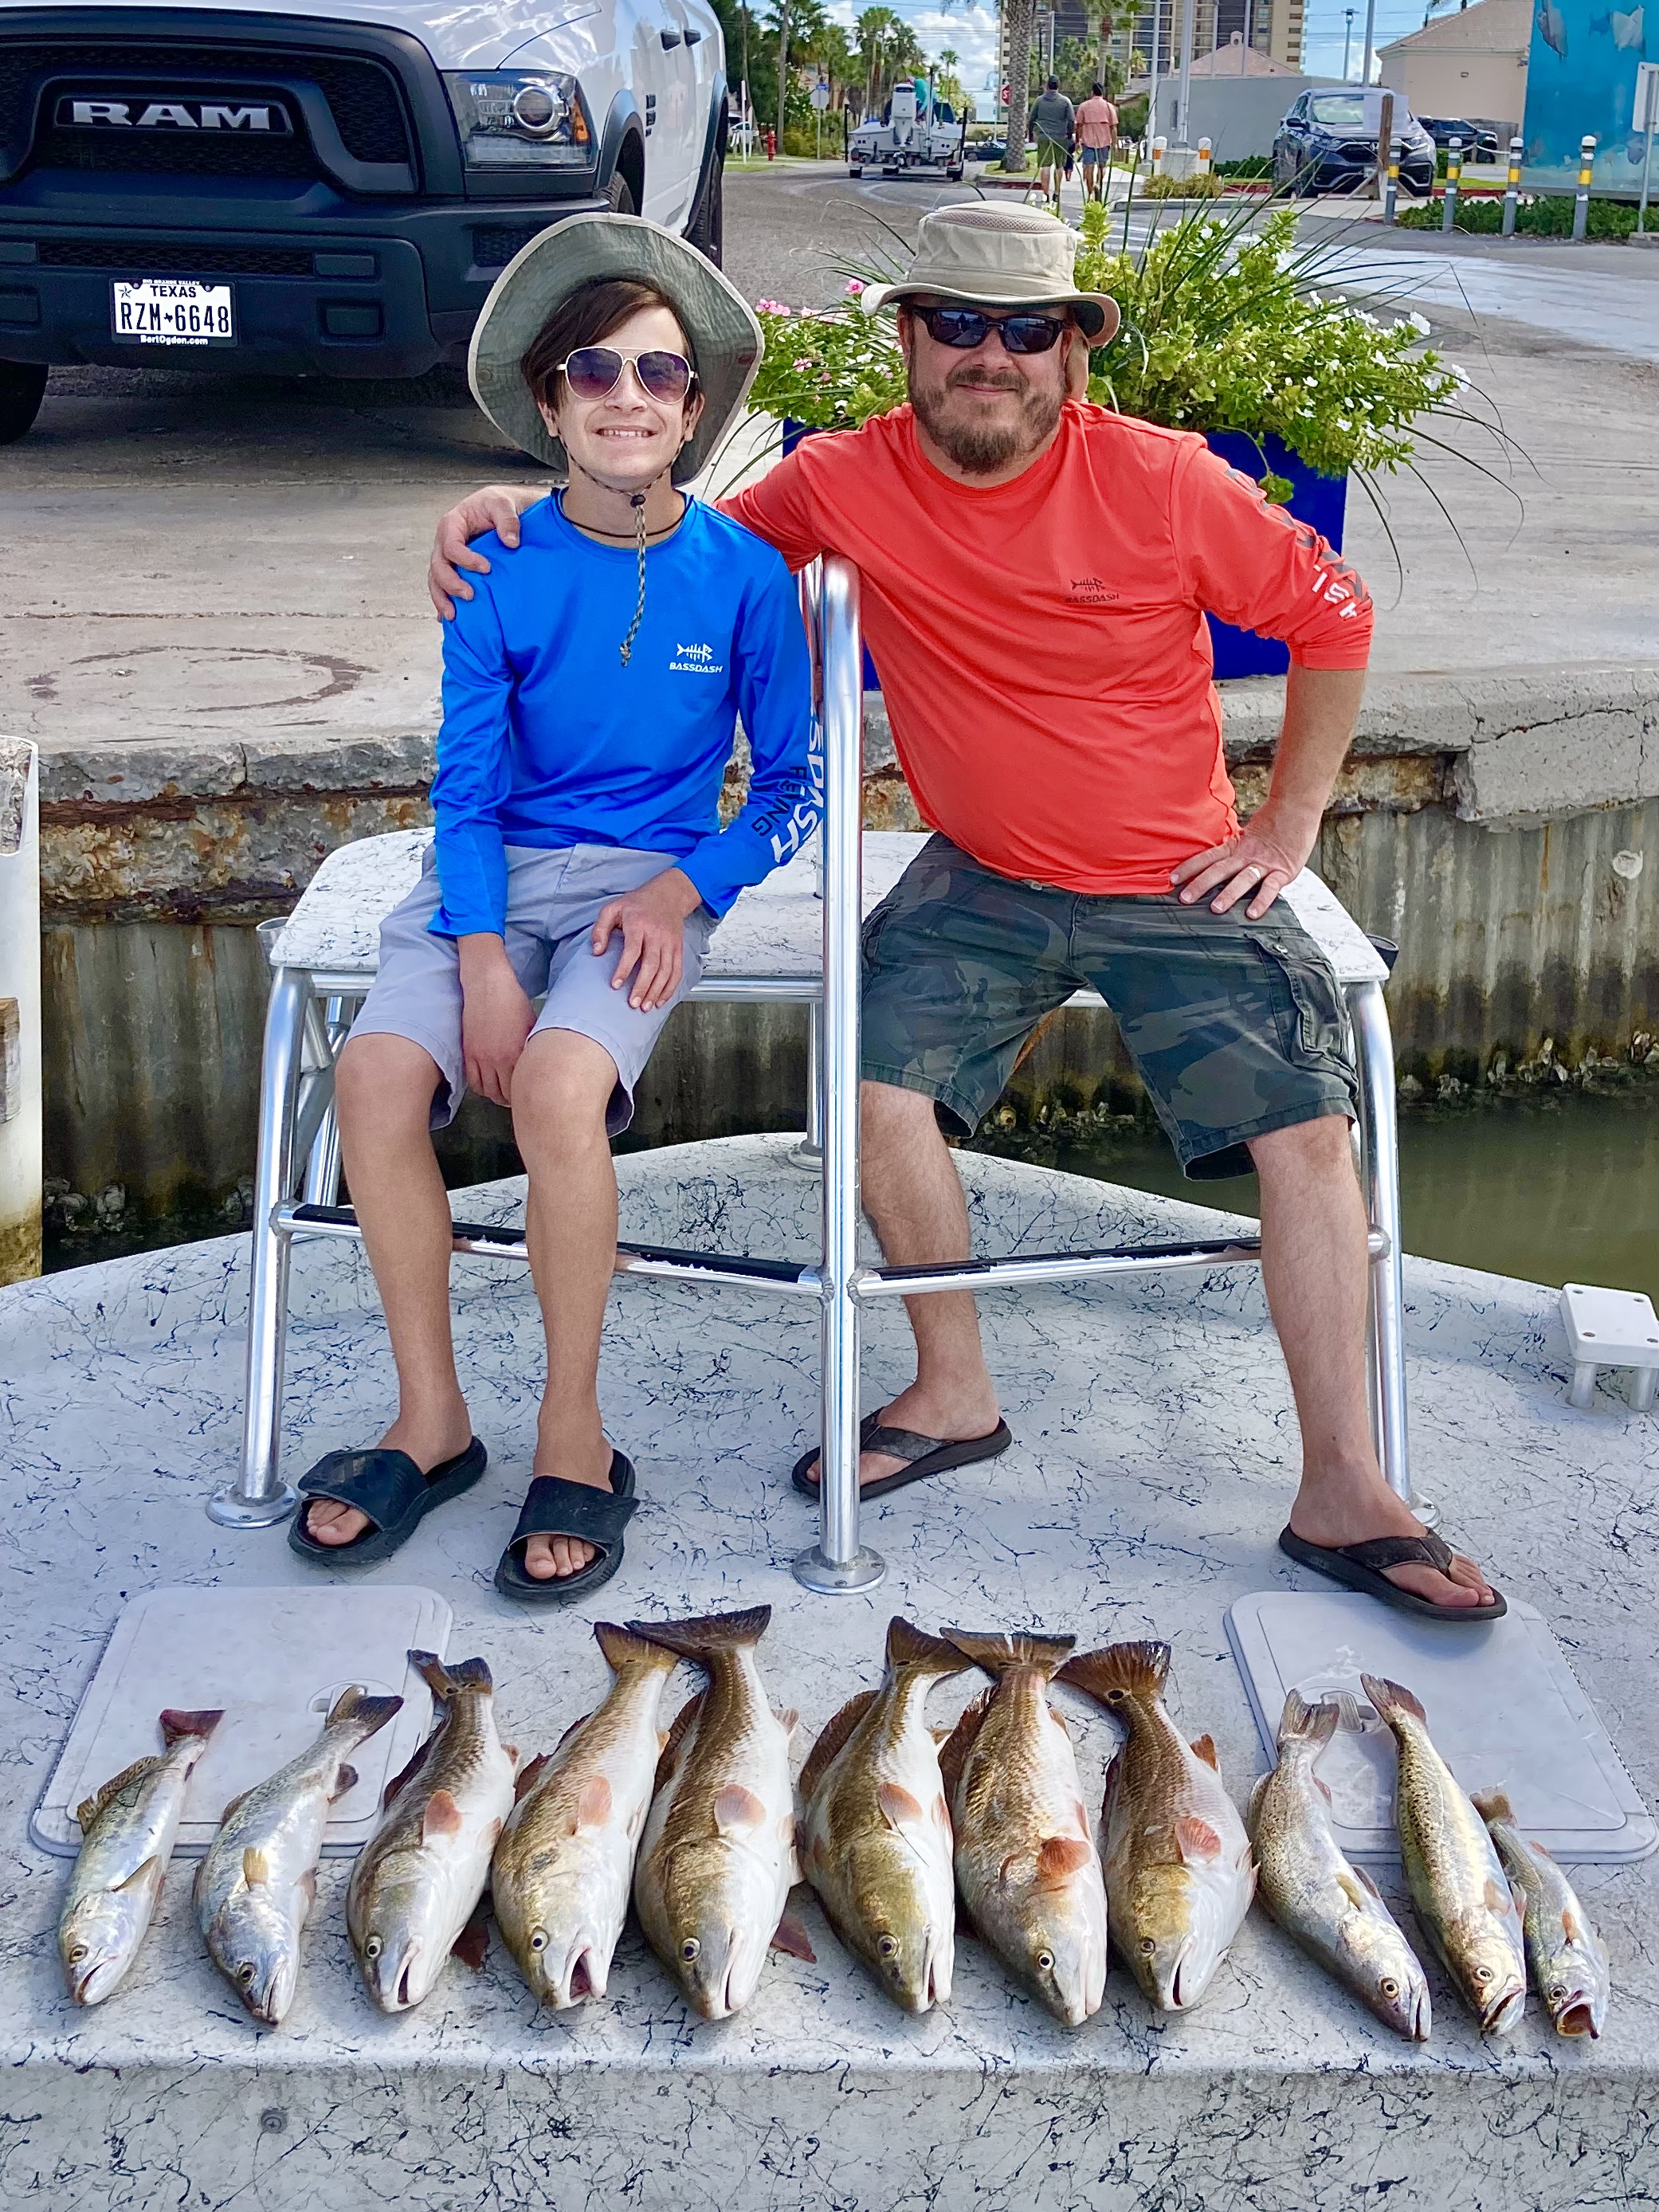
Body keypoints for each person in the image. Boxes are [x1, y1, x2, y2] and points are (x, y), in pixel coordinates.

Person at [427, 201, 1502, 1625]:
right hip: (979, 870)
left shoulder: (1167, 482)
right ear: (910, 341)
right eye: (958, 327)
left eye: (1024, 329)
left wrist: (1286, 824)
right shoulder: (838, 481)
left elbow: (1332, 612)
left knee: (1306, 1127)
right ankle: (951, 1386)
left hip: (1173, 874)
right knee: (875, 1094)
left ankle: (1346, 1486)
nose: (988, 355)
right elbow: (653, 527)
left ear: (1070, 349)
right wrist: (493, 512)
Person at [292, 214, 818, 1603]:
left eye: (656, 374)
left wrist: (678, 883)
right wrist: (475, 958)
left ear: (694, 410)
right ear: (550, 402)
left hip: (638, 891)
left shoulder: (747, 578)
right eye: (594, 371)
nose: (626, 398)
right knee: (373, 1079)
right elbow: (461, 791)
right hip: (485, 878)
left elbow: (793, 794)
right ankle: (432, 1421)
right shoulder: (496, 562)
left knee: (558, 1089)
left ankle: (572, 1430)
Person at [1030, 76, 1076, 205]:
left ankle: (1046, 195)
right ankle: (1056, 192)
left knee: (1045, 166)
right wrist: (1069, 133)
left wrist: (1032, 133)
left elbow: (1031, 118)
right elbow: (1071, 120)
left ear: (1047, 86)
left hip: (1043, 136)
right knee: (1059, 165)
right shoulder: (1065, 101)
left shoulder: (1039, 101)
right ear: (1058, 86)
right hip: (1060, 137)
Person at [1075, 80, 1120, 200]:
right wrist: (1114, 143)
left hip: (1088, 141)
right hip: (1104, 141)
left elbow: (1079, 125)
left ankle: (1090, 192)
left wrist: (1078, 140)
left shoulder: (1084, 106)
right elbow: (1114, 127)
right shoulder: (1109, 107)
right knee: (1102, 166)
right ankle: (1099, 184)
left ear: (1092, 93)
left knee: (1089, 166)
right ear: (1102, 93)